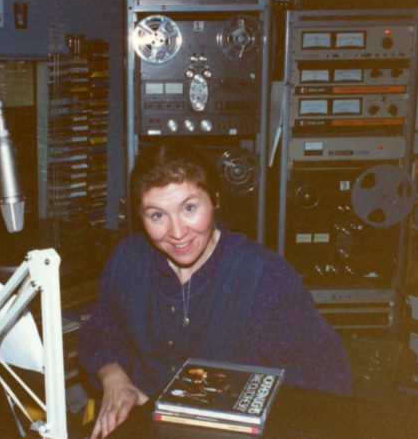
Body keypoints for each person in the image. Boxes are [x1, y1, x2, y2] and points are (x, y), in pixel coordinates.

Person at [77, 143, 351, 438]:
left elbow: (329, 376)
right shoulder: (128, 259)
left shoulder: (264, 275)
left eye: (190, 208)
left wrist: (227, 401)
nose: (178, 232)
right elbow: (99, 331)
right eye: (157, 216)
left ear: (215, 199)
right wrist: (114, 379)